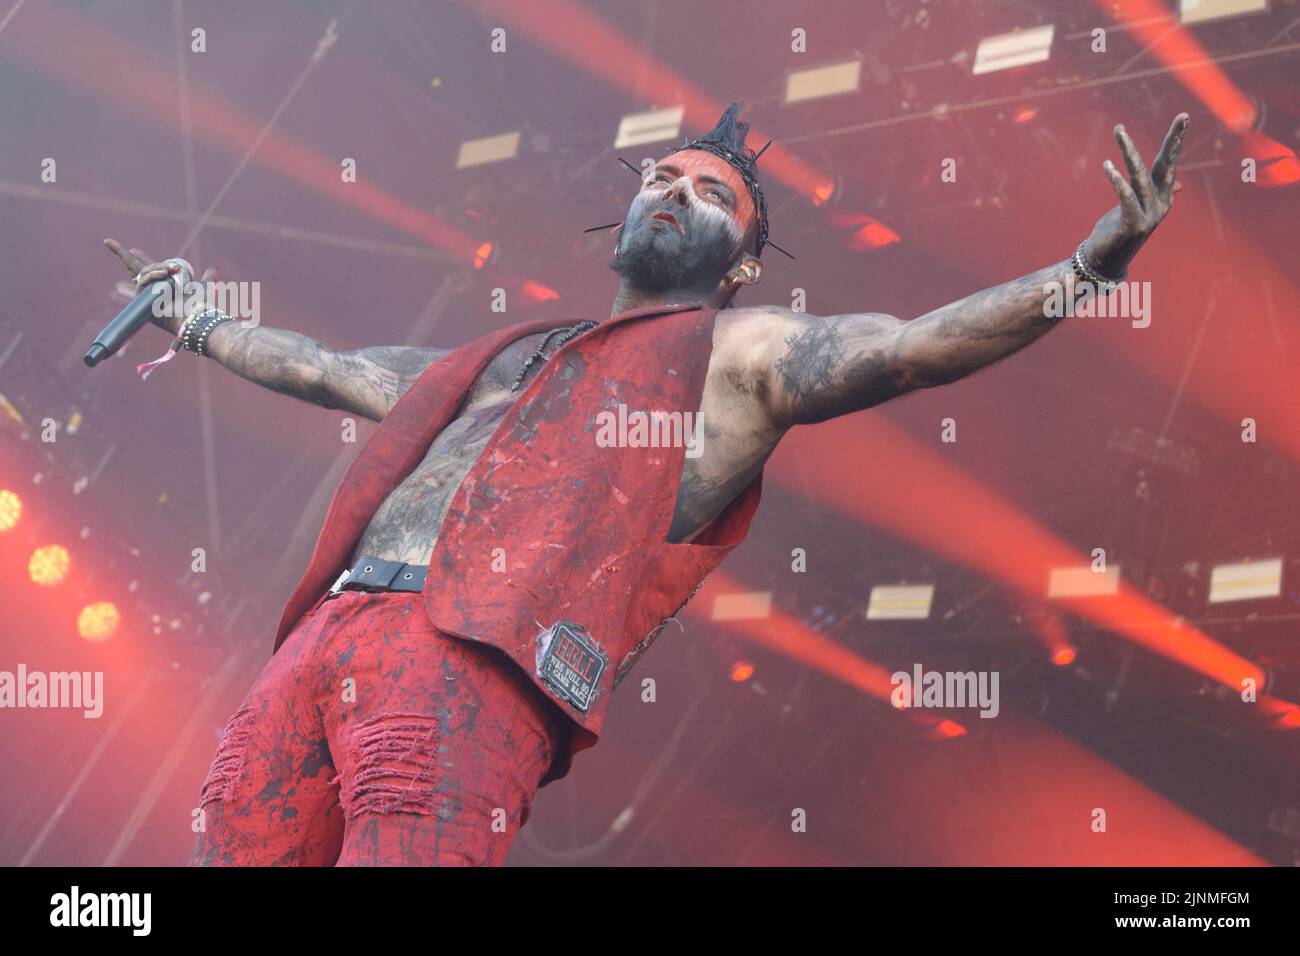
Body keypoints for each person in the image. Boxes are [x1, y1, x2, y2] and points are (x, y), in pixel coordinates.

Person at [105, 102, 1188, 866]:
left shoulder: (737, 351)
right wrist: (198, 317)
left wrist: (1084, 270)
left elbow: (911, 345)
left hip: (470, 658)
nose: (674, 191)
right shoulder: (503, 358)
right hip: (332, 630)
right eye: (661, 178)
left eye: (708, 191)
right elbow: (329, 367)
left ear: (744, 259)